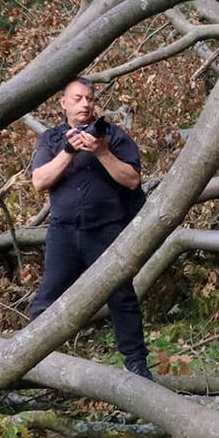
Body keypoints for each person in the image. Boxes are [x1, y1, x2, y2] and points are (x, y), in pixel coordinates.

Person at [29, 78, 152, 379]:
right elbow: (39, 182)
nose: (85, 103)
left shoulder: (112, 135)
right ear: (64, 103)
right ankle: (34, 365)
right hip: (64, 232)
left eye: (89, 98)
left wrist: (101, 152)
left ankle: (136, 366)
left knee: (121, 297)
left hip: (106, 230)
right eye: (78, 98)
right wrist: (68, 151)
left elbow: (132, 180)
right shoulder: (51, 139)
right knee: (46, 301)